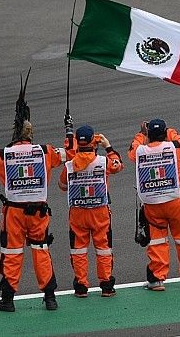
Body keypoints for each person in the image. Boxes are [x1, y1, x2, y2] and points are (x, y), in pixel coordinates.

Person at [0, 118, 65, 311]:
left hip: (14, 213)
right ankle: (50, 298)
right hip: (38, 214)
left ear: (13, 135)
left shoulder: (3, 154)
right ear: (31, 135)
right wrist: (69, 132)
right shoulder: (46, 151)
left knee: (11, 254)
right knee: (41, 251)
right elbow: (70, 153)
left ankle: (7, 299)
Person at [129, 119, 180, 291]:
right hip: (177, 201)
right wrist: (169, 131)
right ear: (165, 134)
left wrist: (142, 134)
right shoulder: (176, 148)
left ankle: (157, 279)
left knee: (157, 242)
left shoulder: (140, 150)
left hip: (153, 204)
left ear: (148, 135)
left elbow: (132, 150)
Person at [59, 123, 123, 298]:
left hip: (78, 212)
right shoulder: (103, 162)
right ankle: (106, 285)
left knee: (78, 249)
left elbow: (62, 185)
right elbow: (118, 165)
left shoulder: (70, 165)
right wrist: (108, 147)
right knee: (103, 248)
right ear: (93, 141)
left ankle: (81, 286)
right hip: (99, 211)